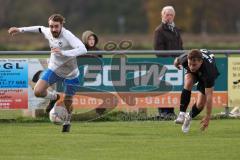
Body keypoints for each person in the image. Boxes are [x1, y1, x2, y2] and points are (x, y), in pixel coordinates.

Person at [8, 14, 87, 132]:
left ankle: (67, 121)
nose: (54, 29)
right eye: (51, 26)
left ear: (61, 25)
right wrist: (20, 29)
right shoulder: (48, 31)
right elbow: (39, 28)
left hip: (71, 73)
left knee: (68, 101)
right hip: (54, 69)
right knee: (38, 91)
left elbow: (83, 49)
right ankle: (55, 97)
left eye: (56, 26)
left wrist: (63, 52)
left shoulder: (67, 35)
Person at [174, 49, 220, 133]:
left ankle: (189, 117)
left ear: (201, 62)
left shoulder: (209, 73)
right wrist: (176, 63)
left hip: (204, 75)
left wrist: (208, 117)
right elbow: (177, 60)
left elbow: (209, 97)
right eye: (189, 64)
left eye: (194, 65)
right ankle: (181, 114)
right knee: (188, 81)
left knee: (200, 104)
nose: (191, 67)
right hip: (196, 72)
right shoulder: (185, 58)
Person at [154, 6, 183, 119]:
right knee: (164, 88)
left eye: (171, 14)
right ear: (162, 15)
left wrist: (182, 58)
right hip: (165, 64)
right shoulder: (159, 30)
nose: (169, 16)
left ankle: (170, 112)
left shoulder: (176, 30)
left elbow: (180, 46)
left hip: (176, 64)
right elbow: (158, 50)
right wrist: (169, 60)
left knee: (173, 89)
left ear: (174, 16)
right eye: (167, 14)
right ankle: (163, 112)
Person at [81, 30, 106, 115]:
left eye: (93, 39)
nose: (92, 41)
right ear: (85, 40)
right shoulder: (80, 50)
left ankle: (100, 111)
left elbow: (102, 64)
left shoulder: (98, 51)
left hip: (95, 77)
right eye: (89, 39)